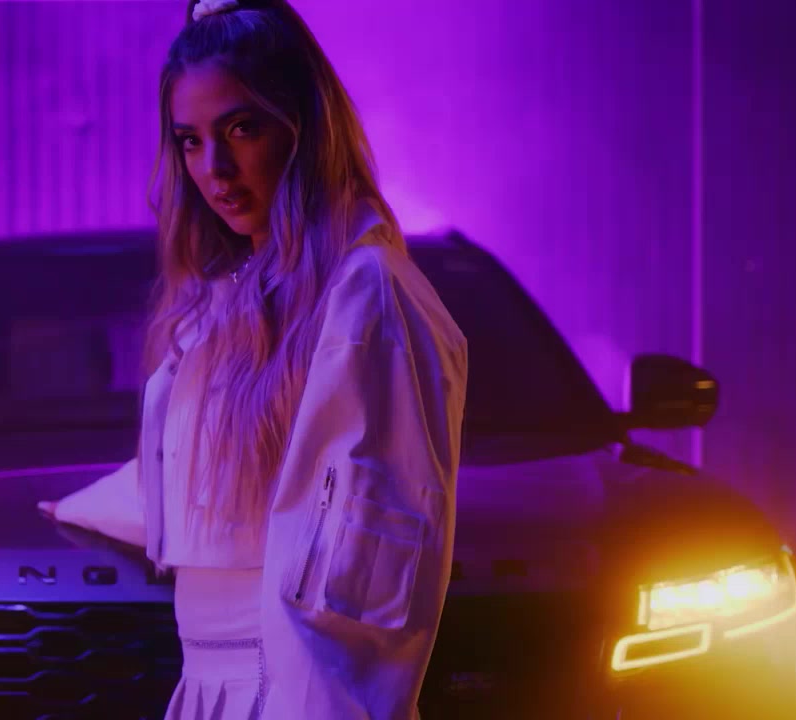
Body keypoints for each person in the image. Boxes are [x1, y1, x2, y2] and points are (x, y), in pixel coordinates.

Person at [39, 0, 468, 717]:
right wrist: (73, 508)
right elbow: (187, 477)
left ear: (302, 127)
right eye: (190, 140)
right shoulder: (226, 299)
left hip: (291, 686)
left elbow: (369, 556)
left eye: (242, 128)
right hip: (206, 683)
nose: (215, 169)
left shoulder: (364, 292)